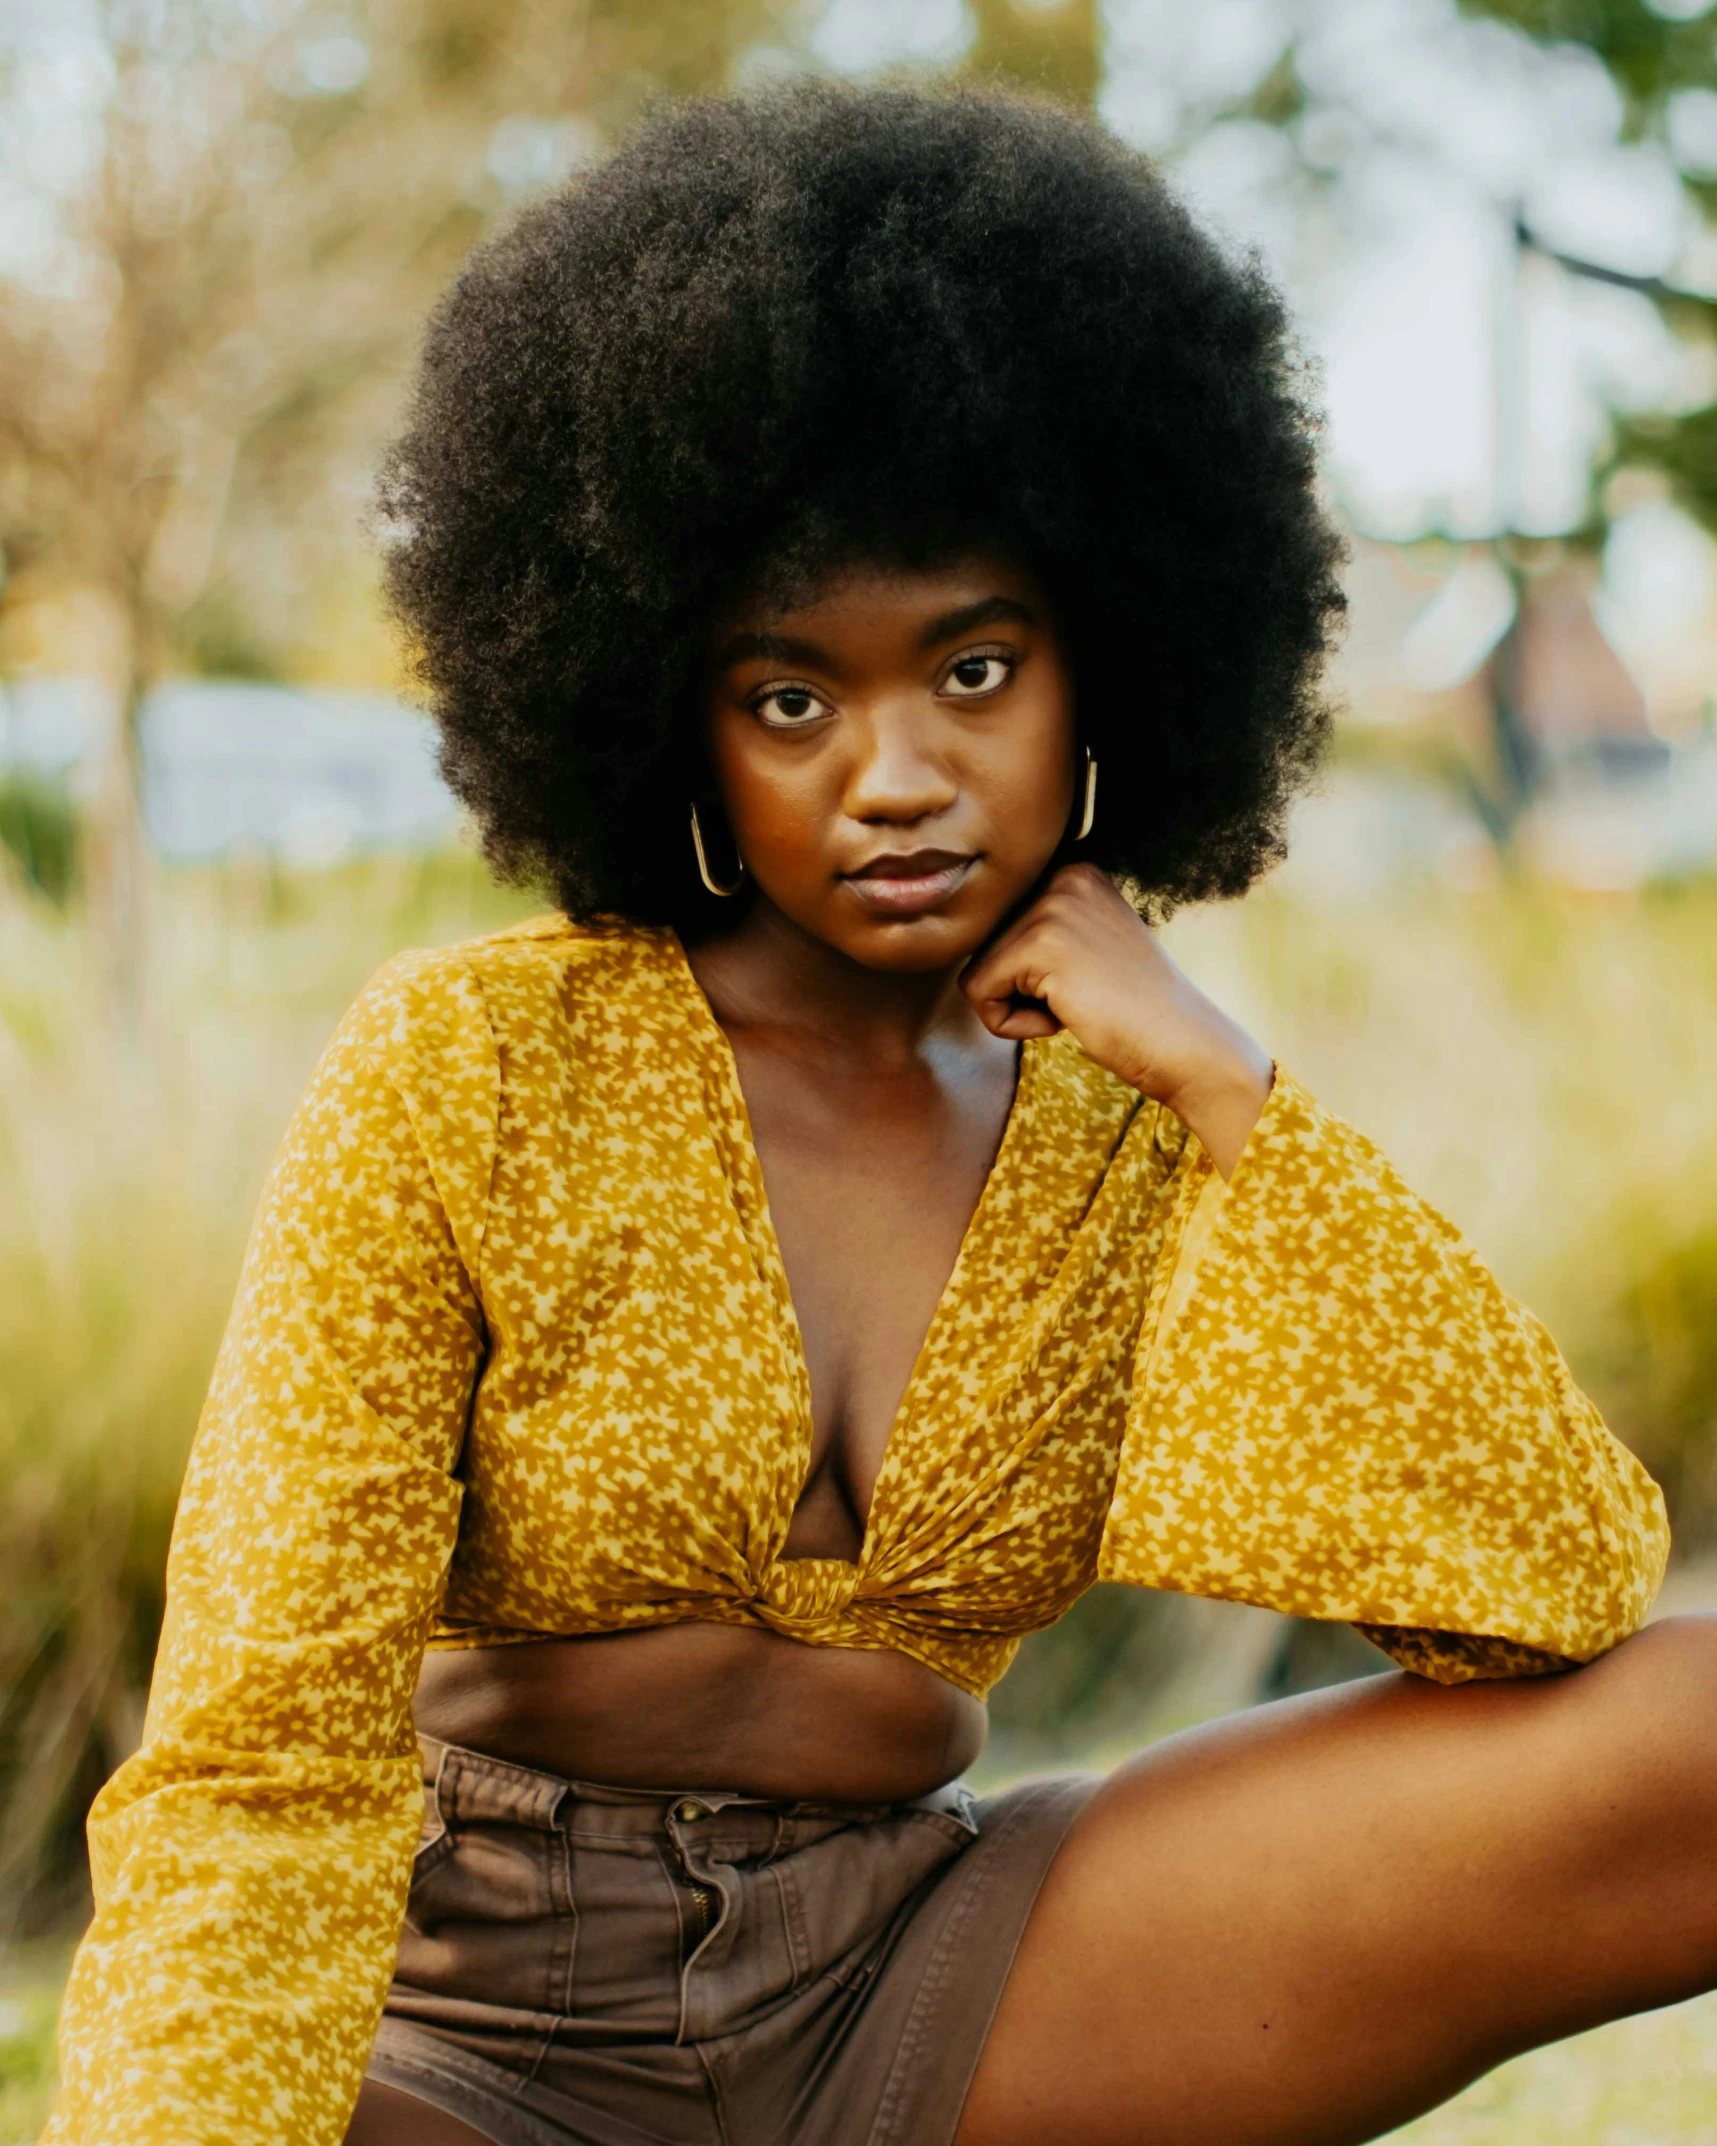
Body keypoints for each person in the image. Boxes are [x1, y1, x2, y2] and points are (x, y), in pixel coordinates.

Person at [44, 81, 1716, 2146]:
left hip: (911, 1974)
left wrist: (1219, 1078)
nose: (896, 774)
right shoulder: (471, 1066)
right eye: (791, 699)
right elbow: (260, 1750)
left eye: (977, 670)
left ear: (1111, 666)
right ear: (673, 714)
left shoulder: (1122, 1125)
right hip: (465, 2025)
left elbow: (1551, 1582)